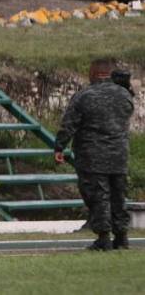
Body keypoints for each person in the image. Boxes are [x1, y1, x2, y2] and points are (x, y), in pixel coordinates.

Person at [54, 59, 134, 251]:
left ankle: (103, 238)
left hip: (92, 156)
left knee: (98, 196)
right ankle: (122, 237)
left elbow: (69, 124)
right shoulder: (125, 95)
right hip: (119, 155)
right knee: (118, 196)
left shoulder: (84, 96)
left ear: (94, 73)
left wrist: (59, 147)